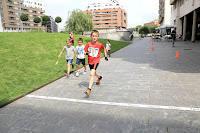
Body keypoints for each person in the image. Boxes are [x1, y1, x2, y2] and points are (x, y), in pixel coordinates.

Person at [84, 30, 108, 97]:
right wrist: (86, 53)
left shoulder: (100, 44)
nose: (94, 37)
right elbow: (84, 51)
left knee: (92, 74)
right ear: (91, 36)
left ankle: (89, 89)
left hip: (96, 61)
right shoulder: (88, 44)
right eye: (93, 36)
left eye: (95, 36)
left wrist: (105, 56)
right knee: (93, 72)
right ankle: (99, 77)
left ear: (98, 37)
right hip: (90, 61)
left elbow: (104, 48)